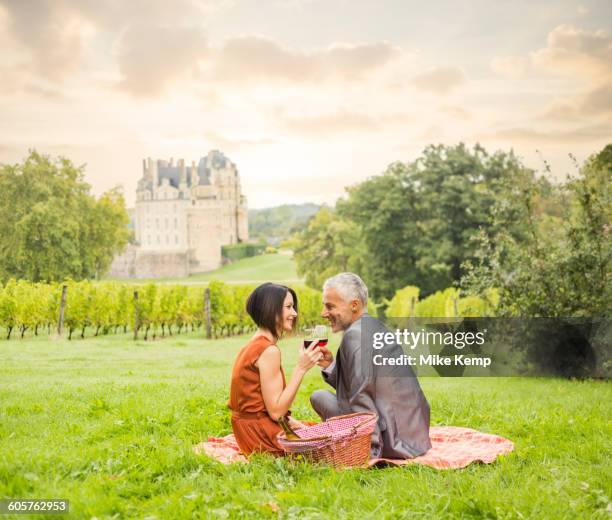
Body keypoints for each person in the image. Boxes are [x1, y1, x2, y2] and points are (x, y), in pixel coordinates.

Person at [311, 272, 432, 458]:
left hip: (391, 441)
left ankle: (355, 443)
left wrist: (370, 451)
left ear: (354, 305)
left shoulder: (355, 336)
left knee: (319, 397)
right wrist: (330, 366)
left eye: (330, 306)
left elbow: (361, 395)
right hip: (415, 436)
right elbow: (362, 385)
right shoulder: (375, 327)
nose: (323, 313)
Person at [228, 282, 323, 456]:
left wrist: (292, 422)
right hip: (259, 436)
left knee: (311, 428)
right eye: (288, 307)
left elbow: (262, 404)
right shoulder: (269, 351)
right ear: (271, 310)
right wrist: (300, 369)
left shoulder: (254, 344)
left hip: (247, 429)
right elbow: (276, 412)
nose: (294, 313)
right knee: (323, 441)